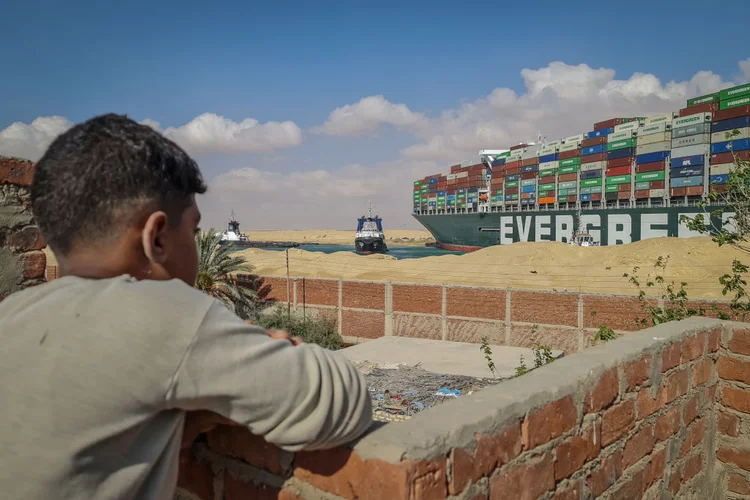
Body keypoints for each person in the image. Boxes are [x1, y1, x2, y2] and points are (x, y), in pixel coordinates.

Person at [0, 114, 373, 499]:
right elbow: (344, 402)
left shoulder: (14, 313)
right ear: (157, 238)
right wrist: (269, 349)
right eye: (193, 232)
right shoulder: (159, 313)